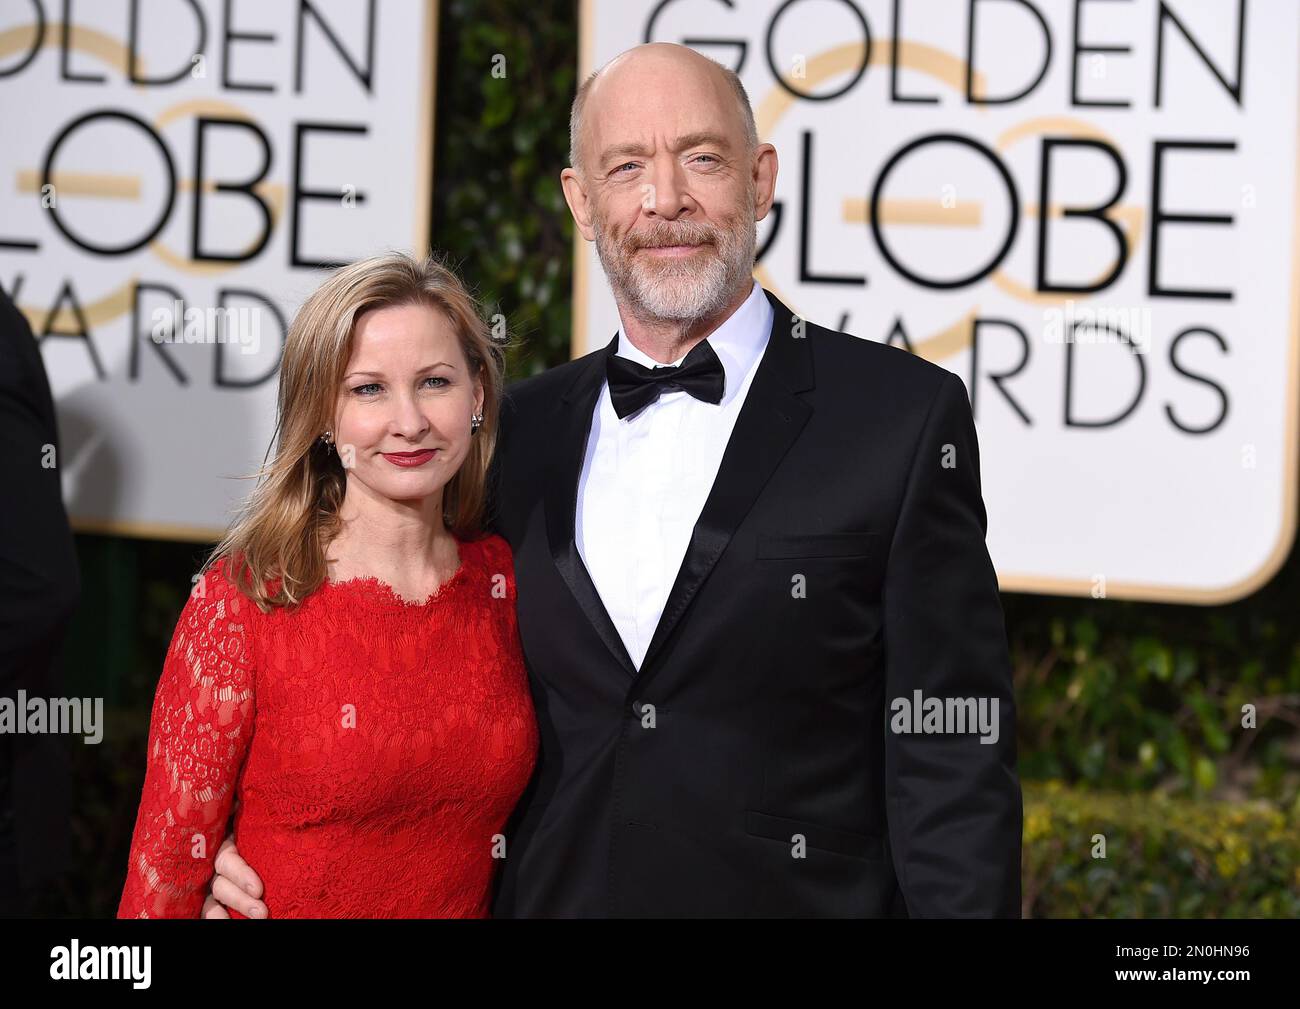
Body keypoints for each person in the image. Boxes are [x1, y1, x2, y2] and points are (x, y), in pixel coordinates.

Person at [205, 42, 1022, 918]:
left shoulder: (899, 420)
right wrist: (261, 837)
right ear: (582, 202)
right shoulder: (509, 432)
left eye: (701, 159)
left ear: (760, 180)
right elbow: (384, 660)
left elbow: (953, 756)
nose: (664, 199)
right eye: (626, 166)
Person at [117, 253, 536, 917]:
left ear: (478, 394)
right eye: (368, 389)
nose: (409, 421)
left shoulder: (507, 583)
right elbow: (160, 882)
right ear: (320, 413)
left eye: (435, 381)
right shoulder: (243, 602)